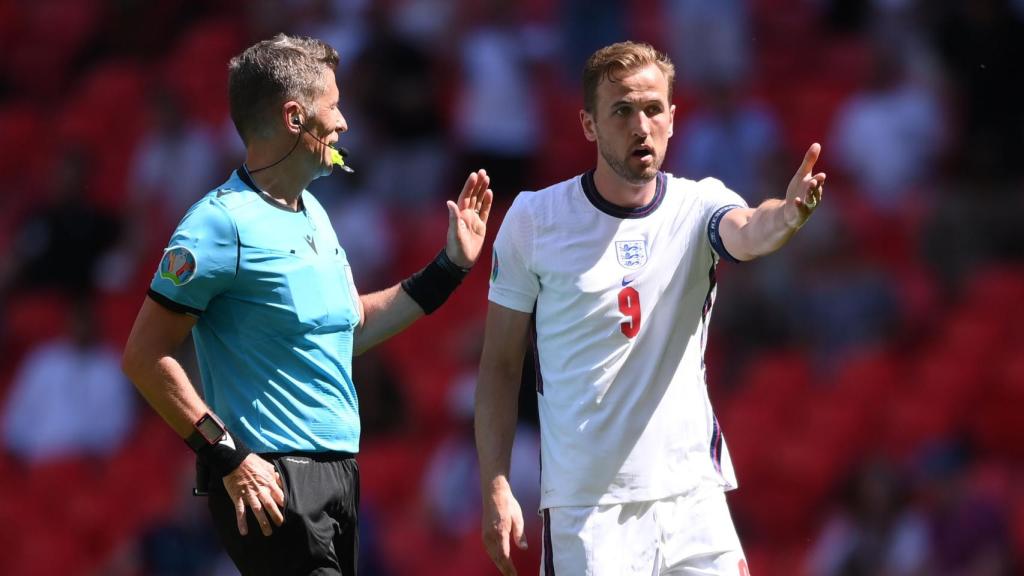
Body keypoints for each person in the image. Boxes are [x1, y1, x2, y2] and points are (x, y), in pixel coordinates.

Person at [121, 34, 493, 576]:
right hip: (272, 480)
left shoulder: (314, 213)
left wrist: (451, 266)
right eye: (334, 106)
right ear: (295, 117)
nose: (344, 122)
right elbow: (144, 355)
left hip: (338, 476)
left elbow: (353, 327)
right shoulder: (218, 224)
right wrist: (226, 456)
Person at [475, 41, 826, 576]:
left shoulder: (699, 204)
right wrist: (497, 486)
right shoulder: (533, 220)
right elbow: (500, 365)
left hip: (692, 497)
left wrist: (788, 216)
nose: (641, 126)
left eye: (653, 109)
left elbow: (752, 229)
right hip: (588, 510)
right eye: (621, 110)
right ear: (588, 124)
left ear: (673, 118)